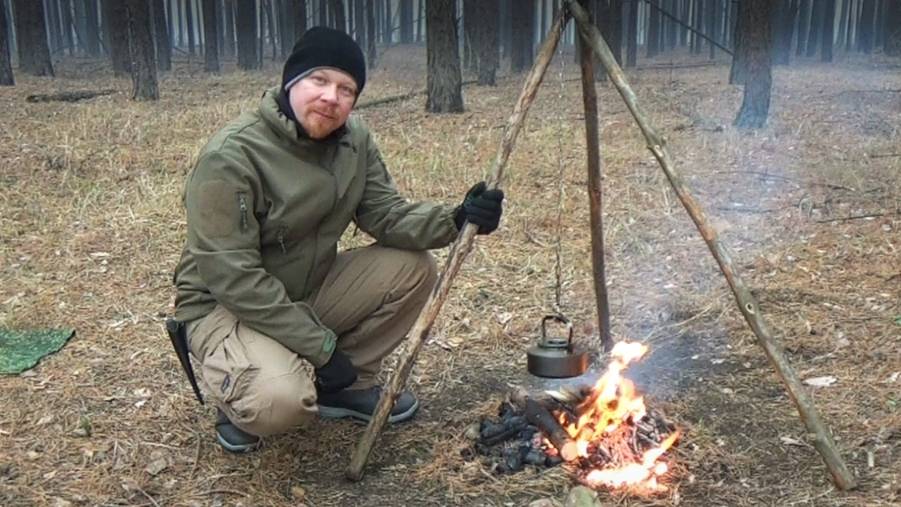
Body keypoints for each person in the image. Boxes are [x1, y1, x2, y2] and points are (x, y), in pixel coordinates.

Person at [171, 27, 504, 453]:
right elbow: (235, 280)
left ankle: (344, 388)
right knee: (281, 402)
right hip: (226, 307)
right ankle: (241, 399)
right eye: (320, 80)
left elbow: (385, 213)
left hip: (303, 288)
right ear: (291, 82)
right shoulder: (231, 157)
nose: (332, 97)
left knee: (413, 269)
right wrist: (323, 350)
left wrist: (456, 219)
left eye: (347, 89)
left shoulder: (354, 140)